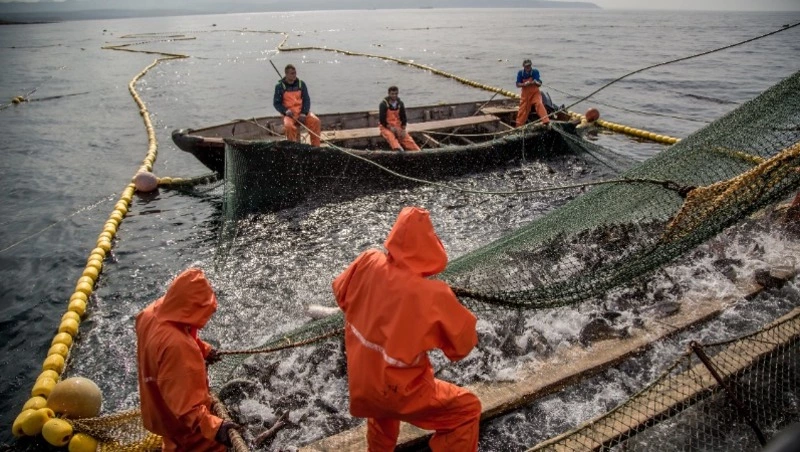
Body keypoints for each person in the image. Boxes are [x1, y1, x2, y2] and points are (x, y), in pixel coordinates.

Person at [332, 206, 481, 451]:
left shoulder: (368, 261)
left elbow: (341, 294)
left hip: (365, 381)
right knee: (467, 409)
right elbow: (462, 346)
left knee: (381, 416)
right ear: (429, 244)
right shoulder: (433, 295)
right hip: (404, 391)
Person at [135, 267, 240, 451]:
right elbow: (187, 410)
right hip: (187, 430)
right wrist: (217, 429)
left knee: (172, 439)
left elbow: (176, 333)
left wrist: (204, 350)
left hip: (159, 407)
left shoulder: (149, 314)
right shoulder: (178, 348)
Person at [273, 64, 322, 147]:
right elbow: (276, 103)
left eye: (295, 73)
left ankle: (316, 147)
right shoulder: (279, 86)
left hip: (301, 112)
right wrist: (285, 111)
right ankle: (293, 148)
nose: (294, 75)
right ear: (286, 74)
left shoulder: (301, 84)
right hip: (289, 114)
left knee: (316, 121)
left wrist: (304, 113)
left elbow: (306, 100)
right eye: (292, 73)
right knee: (288, 126)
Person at [378, 86, 420, 151]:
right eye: (392, 94)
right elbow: (382, 120)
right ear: (389, 94)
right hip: (386, 127)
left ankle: (417, 151)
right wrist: (390, 127)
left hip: (398, 126)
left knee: (407, 139)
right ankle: (399, 150)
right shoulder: (383, 104)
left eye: (396, 94)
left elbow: (403, 117)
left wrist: (403, 129)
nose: (394, 95)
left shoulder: (400, 103)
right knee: (391, 137)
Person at [516, 58, 551, 128]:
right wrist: (524, 84)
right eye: (526, 66)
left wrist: (536, 82)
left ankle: (546, 121)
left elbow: (539, 83)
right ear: (523, 66)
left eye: (529, 66)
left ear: (531, 65)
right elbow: (517, 84)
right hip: (525, 95)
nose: (528, 67)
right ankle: (518, 127)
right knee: (523, 110)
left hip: (535, 93)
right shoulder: (520, 73)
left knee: (539, 104)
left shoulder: (535, 72)